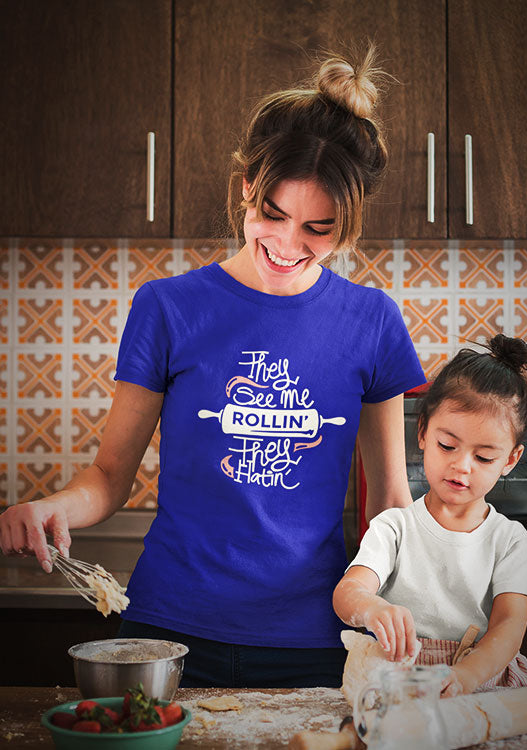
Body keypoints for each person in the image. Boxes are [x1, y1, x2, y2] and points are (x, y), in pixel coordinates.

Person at [0, 47, 425, 688]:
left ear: (350, 222)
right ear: (248, 185)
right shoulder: (167, 308)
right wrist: (50, 507)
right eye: (273, 215)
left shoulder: (373, 321)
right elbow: (109, 477)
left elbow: (390, 503)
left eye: (319, 229)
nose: (287, 245)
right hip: (168, 625)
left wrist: (426, 596)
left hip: (314, 633)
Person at [333, 334, 527, 696]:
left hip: (482, 683)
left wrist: (466, 676)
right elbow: (348, 592)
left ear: (511, 459)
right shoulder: (394, 528)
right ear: (423, 433)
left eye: (484, 457)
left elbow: (509, 627)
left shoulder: (510, 541)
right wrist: (371, 608)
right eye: (447, 445)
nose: (461, 466)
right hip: (401, 684)